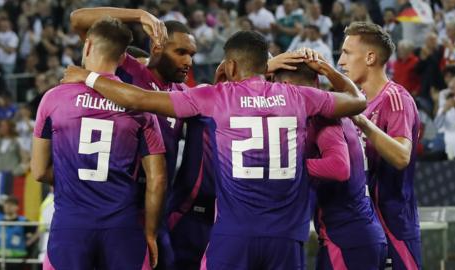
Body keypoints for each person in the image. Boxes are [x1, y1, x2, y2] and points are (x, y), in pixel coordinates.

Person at [61, 30, 366, 268]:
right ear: (265, 66)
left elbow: (137, 100)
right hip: (287, 238)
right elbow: (357, 101)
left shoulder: (216, 96)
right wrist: (326, 70)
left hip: (233, 236)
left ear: (231, 66)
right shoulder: (300, 96)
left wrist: (87, 77)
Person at [30, 17, 167, 269]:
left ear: (88, 45)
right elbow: (157, 179)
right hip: (123, 226)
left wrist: (77, 180)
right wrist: (150, 234)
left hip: (71, 225)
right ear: (122, 55)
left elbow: (38, 170)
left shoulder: (54, 98)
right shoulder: (139, 105)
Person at [70, 8, 196, 269]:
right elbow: (78, 20)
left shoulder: (183, 93)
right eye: (181, 52)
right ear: (158, 46)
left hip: (153, 212)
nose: (188, 62)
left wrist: (267, 64)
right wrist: (140, 15)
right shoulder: (132, 71)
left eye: (192, 55)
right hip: (116, 207)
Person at [274, 63, 387, 269]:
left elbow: (339, 167)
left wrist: (288, 165)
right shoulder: (330, 111)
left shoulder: (321, 117)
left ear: (286, 86)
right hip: (358, 237)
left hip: (346, 241)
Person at [338, 21, 421, 270]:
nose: (341, 61)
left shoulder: (396, 98)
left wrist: (362, 123)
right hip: (363, 225)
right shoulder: (357, 101)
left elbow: (401, 155)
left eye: (347, 53)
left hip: (394, 223)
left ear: (370, 57)